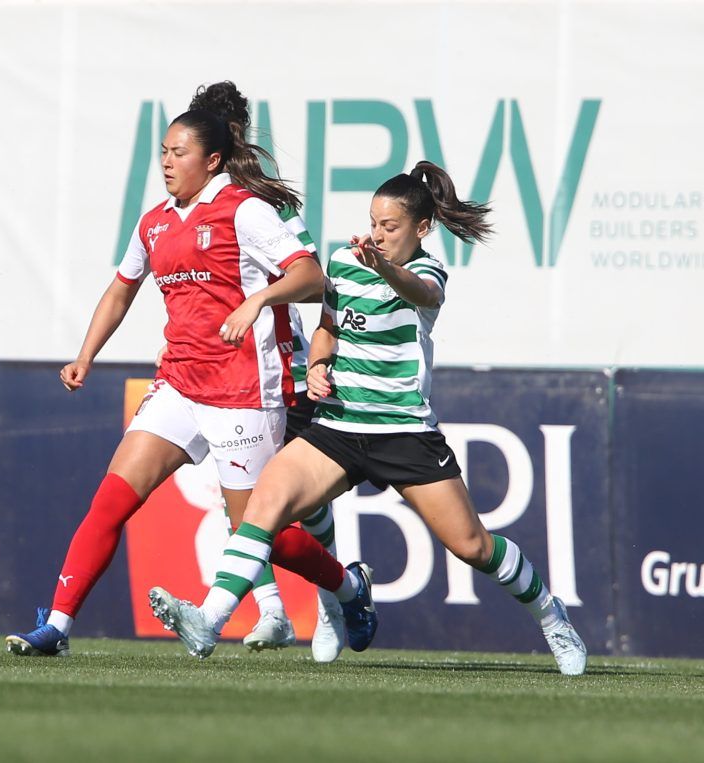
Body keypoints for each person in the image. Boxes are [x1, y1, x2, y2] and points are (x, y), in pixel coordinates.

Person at [149, 161, 588, 676]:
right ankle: (210, 619)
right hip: (339, 426)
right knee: (263, 507)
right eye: (374, 223)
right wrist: (318, 365)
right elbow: (328, 328)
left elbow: (423, 294)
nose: (378, 234)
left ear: (422, 228)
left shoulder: (427, 272)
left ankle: (551, 615)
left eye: (390, 226)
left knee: (472, 546)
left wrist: (382, 267)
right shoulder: (343, 260)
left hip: (402, 432)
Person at [6, 84, 353, 658]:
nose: (166, 162)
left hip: (243, 391)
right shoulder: (155, 223)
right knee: (110, 502)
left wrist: (257, 301)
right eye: (163, 152)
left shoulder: (246, 210)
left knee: (262, 535)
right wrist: (86, 355)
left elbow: (313, 277)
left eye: (179, 152)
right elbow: (121, 290)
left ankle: (347, 589)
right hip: (179, 386)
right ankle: (58, 627)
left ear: (212, 160)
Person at [184, 82, 346, 662]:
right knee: (241, 493)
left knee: (299, 501)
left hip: (277, 366)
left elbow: (313, 277)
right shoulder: (185, 206)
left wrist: (264, 307)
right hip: (213, 368)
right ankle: (275, 610)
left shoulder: (260, 202)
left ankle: (333, 602)